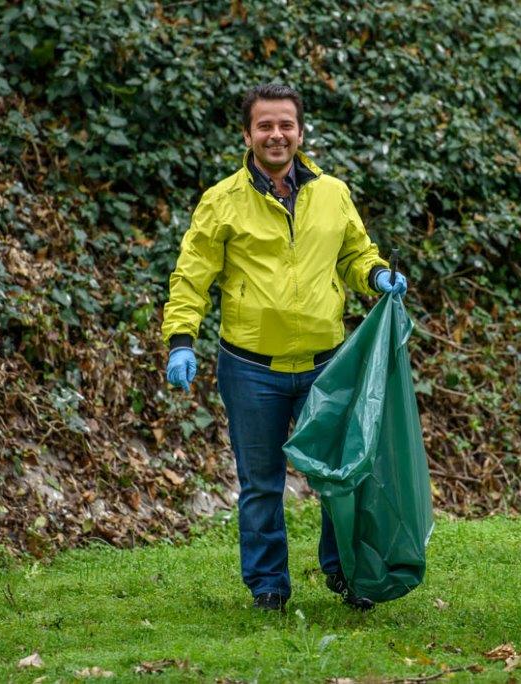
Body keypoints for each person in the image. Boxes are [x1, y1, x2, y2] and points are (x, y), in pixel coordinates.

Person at [161, 84, 408, 612]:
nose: (277, 135)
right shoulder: (221, 201)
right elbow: (191, 277)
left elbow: (355, 254)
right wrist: (181, 339)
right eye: (266, 126)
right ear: (248, 134)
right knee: (260, 483)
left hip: (328, 365)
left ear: (300, 132)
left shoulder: (332, 193)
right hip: (249, 368)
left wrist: (377, 274)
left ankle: (346, 574)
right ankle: (268, 586)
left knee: (340, 477)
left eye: (286, 125)